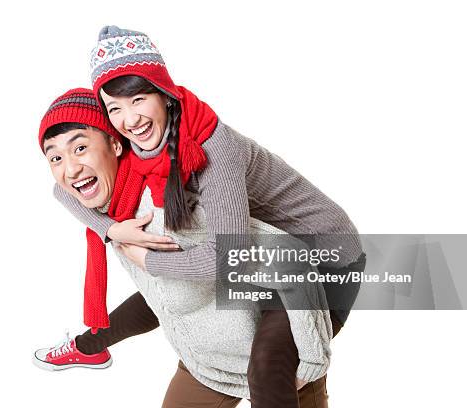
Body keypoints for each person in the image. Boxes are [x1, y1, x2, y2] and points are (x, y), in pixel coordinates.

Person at [51, 26, 367, 407]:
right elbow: (62, 189)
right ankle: (89, 347)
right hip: (259, 256)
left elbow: (226, 257)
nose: (130, 118)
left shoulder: (213, 150)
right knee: (174, 292)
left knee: (268, 367)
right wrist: (112, 228)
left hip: (321, 256)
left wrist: (147, 258)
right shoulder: (136, 148)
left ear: (164, 94)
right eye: (115, 108)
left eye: (138, 99)